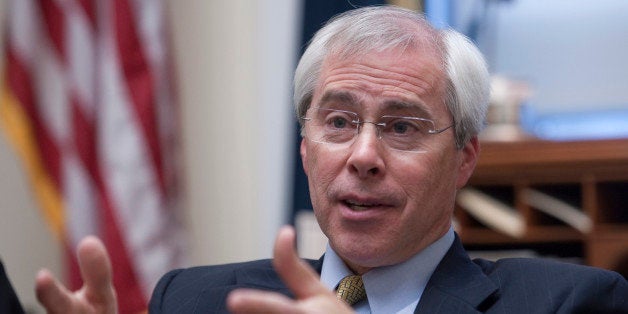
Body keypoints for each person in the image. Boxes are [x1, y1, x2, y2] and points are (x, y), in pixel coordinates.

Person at [35, 5, 628, 314]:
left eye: (402, 126)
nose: (363, 155)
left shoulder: (568, 303)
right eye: (339, 122)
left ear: (464, 157)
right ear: (304, 147)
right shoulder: (191, 302)